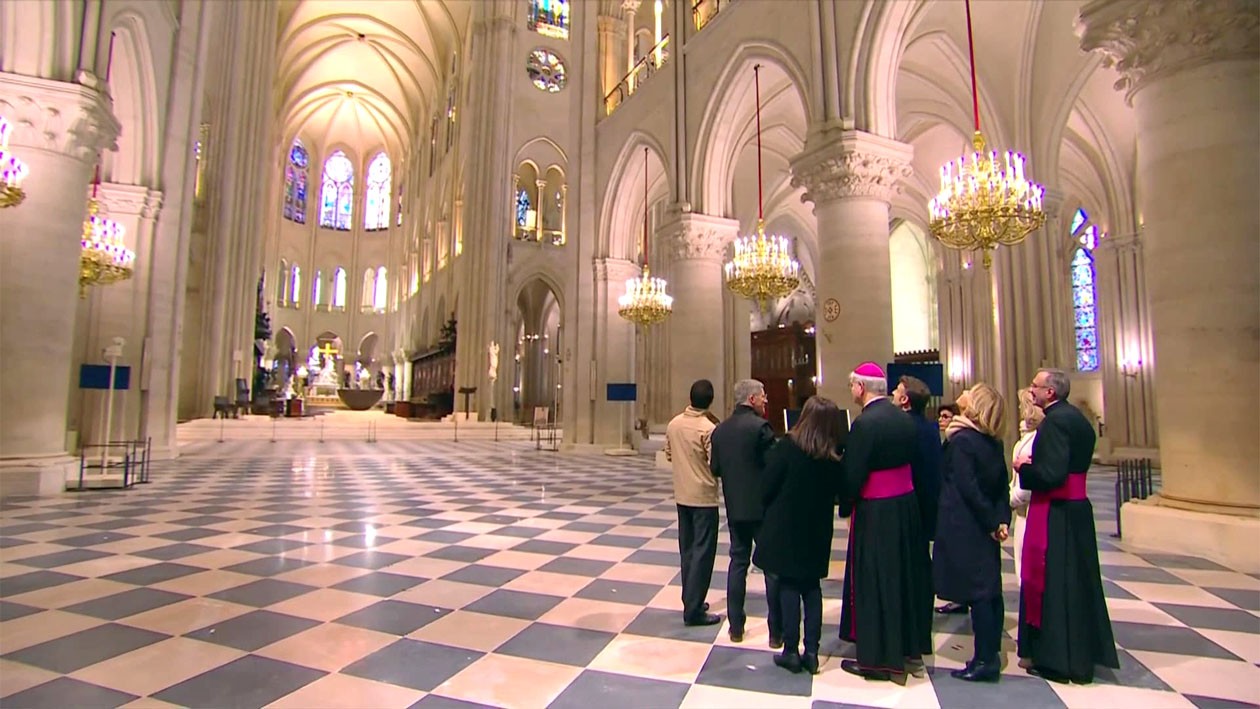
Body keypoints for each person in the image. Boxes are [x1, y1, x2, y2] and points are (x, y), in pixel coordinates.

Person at [1016, 368, 1118, 683]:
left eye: (1036, 386)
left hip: (1056, 512)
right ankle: (1078, 655)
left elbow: (1052, 474)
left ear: (1051, 392)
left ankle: (1057, 660)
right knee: (1076, 583)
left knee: (1055, 584)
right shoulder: (1076, 419)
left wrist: (1024, 468)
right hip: (1075, 510)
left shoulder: (1055, 423)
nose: (1031, 390)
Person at [837, 362, 933, 681]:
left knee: (875, 581)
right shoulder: (905, 420)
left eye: (852, 386)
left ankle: (877, 660)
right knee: (900, 579)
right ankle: (904, 649)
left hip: (876, 511)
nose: (851, 391)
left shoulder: (865, 424)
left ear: (861, 388)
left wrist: (846, 507)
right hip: (904, 508)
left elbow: (853, 473)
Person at [754, 396, 845, 675]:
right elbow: (839, 494)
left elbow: (766, 486)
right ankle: (813, 651)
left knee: (789, 587)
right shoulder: (833, 455)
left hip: (787, 527)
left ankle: (791, 650)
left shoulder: (788, 448)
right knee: (812, 587)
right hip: (816, 529)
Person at [934, 383, 1011, 682]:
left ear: (975, 405)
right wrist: (1001, 520)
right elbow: (1000, 487)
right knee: (989, 589)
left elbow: (969, 488)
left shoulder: (963, 441)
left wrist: (992, 521)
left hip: (966, 524)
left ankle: (984, 660)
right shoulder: (991, 442)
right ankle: (988, 654)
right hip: (983, 524)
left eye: (970, 390)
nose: (963, 391)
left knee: (980, 594)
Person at [710, 379, 780, 645]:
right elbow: (774, 467)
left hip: (735, 507)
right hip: (763, 507)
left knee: (738, 563)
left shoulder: (721, 430)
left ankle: (736, 627)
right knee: (770, 567)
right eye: (763, 396)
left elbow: (715, 468)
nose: (765, 401)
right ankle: (776, 632)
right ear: (751, 399)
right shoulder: (761, 427)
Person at [664, 379, 723, 627]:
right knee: (702, 553)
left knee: (687, 550)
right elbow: (716, 464)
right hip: (704, 498)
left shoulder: (674, 424)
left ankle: (691, 598)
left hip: (682, 495)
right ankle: (694, 609)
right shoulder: (708, 428)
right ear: (710, 401)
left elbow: (668, 454)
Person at [893, 375, 943, 542]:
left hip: (907, 507)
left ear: (904, 399)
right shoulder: (931, 429)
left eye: (897, 390)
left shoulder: (900, 428)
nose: (892, 393)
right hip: (929, 507)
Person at [1010, 388, 1044, 583]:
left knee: (1028, 573)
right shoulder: (1028, 438)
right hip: (1022, 513)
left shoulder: (1036, 440)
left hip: (1030, 511)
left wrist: (1010, 500)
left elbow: (1027, 483)